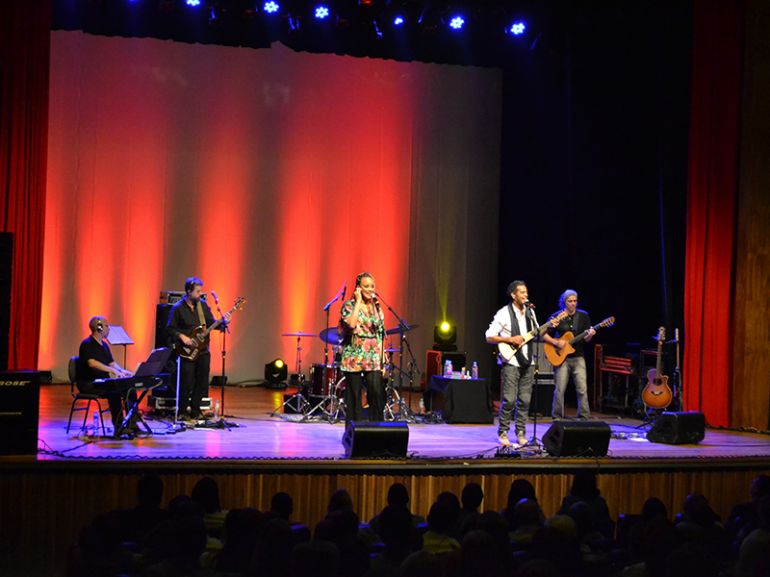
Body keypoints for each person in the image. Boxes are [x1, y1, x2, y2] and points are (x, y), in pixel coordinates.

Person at [485, 280, 549, 447]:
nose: (525, 295)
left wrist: (549, 326)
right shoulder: (503, 313)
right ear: (513, 295)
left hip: (529, 361)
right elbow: (489, 336)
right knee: (510, 399)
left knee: (525, 400)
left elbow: (537, 333)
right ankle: (503, 431)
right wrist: (509, 339)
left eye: (526, 292)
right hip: (511, 360)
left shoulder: (530, 313)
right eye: (522, 292)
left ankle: (521, 432)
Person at [166, 277, 230, 421]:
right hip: (186, 350)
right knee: (186, 381)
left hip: (203, 350)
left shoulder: (203, 306)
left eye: (201, 291)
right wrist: (182, 336)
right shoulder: (178, 308)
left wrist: (223, 323)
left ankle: (196, 410)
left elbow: (212, 323)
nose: (200, 294)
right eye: (197, 291)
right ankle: (182, 411)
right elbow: (170, 328)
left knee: (202, 381)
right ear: (188, 291)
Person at [339, 272, 386, 422]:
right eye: (366, 286)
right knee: (354, 396)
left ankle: (377, 430)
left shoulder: (377, 308)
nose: (370, 289)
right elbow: (351, 325)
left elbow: (381, 333)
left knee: (376, 393)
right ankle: (354, 432)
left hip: (372, 355)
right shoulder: (348, 305)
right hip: (354, 354)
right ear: (358, 288)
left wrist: (382, 359)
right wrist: (358, 301)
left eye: (372, 286)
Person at [77, 316, 135, 436]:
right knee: (114, 392)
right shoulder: (87, 344)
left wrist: (123, 371)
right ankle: (118, 426)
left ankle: (132, 423)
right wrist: (112, 371)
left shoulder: (104, 345)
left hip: (102, 381)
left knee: (130, 389)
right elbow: (92, 362)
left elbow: (111, 363)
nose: (109, 329)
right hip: (89, 383)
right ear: (99, 328)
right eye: (107, 326)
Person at [543, 289, 595, 420]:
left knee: (582, 389)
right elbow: (543, 333)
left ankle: (584, 417)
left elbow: (586, 339)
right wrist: (555, 342)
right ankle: (557, 417)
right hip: (561, 358)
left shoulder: (583, 316)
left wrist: (590, 336)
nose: (573, 304)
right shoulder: (557, 316)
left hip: (578, 356)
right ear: (564, 302)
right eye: (569, 301)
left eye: (575, 301)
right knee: (559, 390)